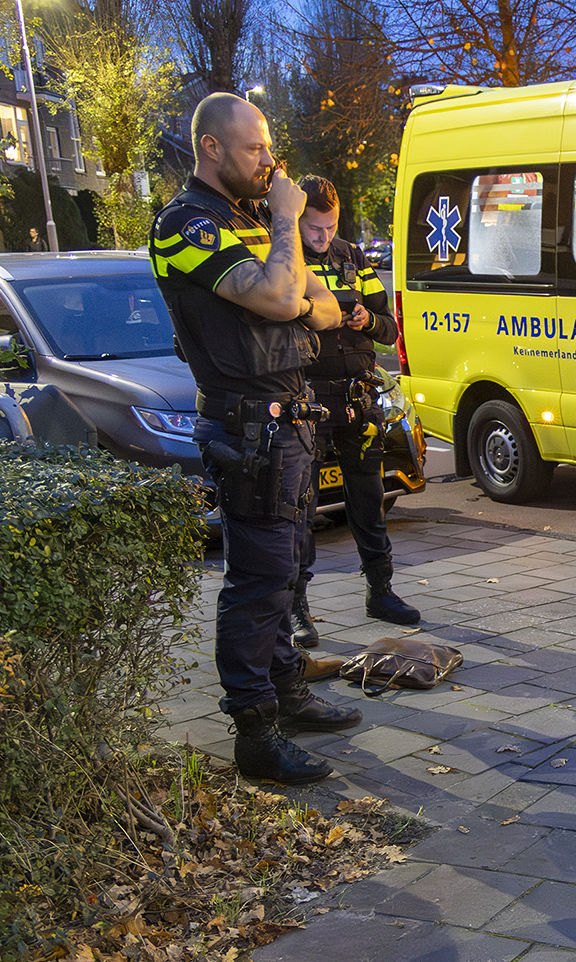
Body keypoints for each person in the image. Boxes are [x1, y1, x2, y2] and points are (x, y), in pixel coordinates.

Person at [150, 91, 358, 784]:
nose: (270, 161)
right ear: (211, 148)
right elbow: (284, 298)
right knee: (258, 579)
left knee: (288, 567)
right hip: (247, 425)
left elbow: (323, 306)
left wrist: (288, 285)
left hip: (287, 420)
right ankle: (255, 731)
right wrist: (286, 227)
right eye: (255, 148)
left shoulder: (247, 222)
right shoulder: (186, 224)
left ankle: (287, 693)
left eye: (269, 146)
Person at [286, 175, 418, 648]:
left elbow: (390, 329)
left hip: (357, 398)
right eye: (314, 228)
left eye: (330, 227)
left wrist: (368, 319)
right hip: (309, 401)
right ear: (297, 220)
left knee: (368, 498)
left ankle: (380, 591)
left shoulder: (353, 258)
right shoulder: (285, 259)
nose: (323, 236)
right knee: (301, 507)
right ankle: (297, 609)